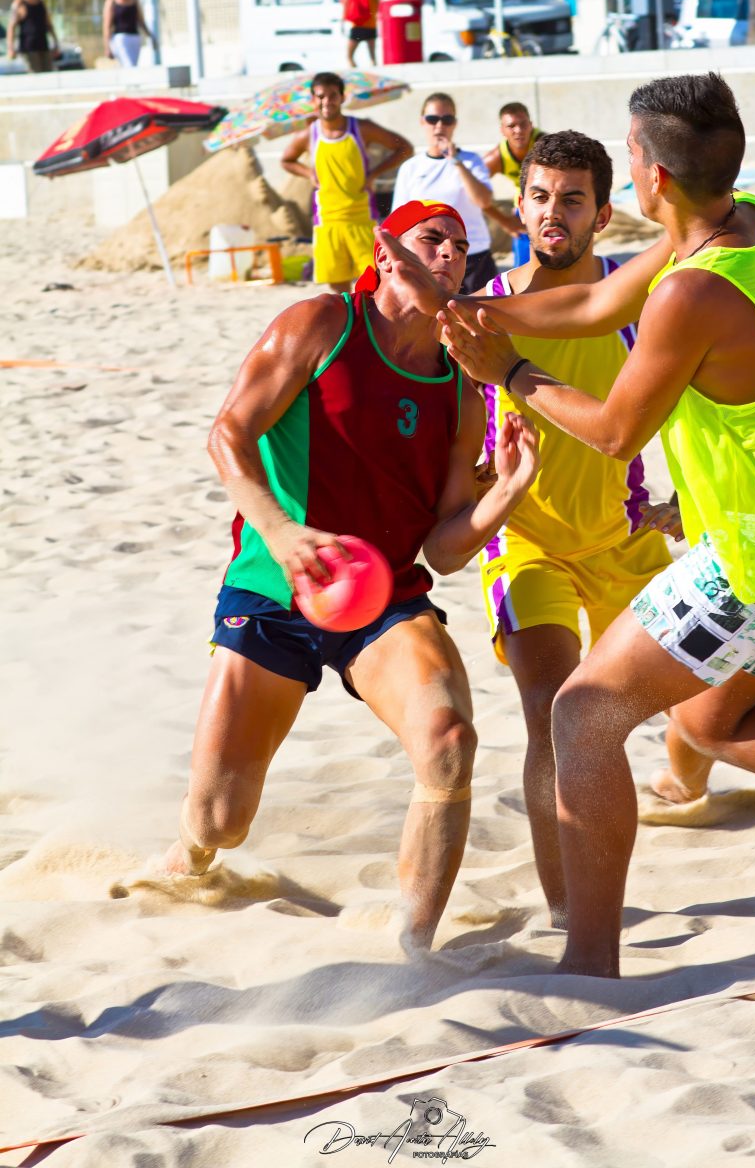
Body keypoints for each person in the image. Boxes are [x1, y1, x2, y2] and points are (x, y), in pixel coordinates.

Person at [380, 72, 755, 978]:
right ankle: (584, 924)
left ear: (644, 181)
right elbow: (593, 303)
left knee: (580, 717)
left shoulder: (692, 292)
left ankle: (589, 962)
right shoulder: (752, 223)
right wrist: (474, 315)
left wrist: (513, 371)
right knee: (717, 725)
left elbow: (617, 432)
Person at [163, 199, 540, 952]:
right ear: (388, 249)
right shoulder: (323, 323)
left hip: (384, 596)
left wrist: (504, 492)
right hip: (275, 584)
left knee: (450, 739)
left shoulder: (464, 385)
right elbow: (227, 435)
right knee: (220, 820)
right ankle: (189, 857)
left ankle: (412, 946)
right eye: (433, 239)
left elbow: (446, 549)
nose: (450, 257)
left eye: (462, 249)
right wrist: (280, 530)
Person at [475, 130, 676, 930]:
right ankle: (567, 910)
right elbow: (458, 430)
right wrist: (477, 482)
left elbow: (683, 411)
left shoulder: (634, 302)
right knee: (550, 715)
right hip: (529, 545)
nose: (552, 213)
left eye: (572, 199)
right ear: (518, 203)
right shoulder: (487, 306)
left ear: (601, 214)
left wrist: (678, 499)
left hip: (624, 537)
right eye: (539, 196)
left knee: (700, 717)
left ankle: (687, 781)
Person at [281, 71, 413, 294]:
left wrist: (374, 174)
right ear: (313, 100)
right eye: (321, 96)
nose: (327, 101)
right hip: (327, 220)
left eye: (333, 95)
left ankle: (370, 325)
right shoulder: (307, 135)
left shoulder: (361, 128)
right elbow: (286, 160)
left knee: (372, 283)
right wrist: (308, 173)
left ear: (342, 98)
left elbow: (404, 148)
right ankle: (352, 325)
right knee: (339, 289)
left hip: (361, 216)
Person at [392, 93, 497, 294]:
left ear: (454, 124)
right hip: (429, 261)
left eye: (446, 120)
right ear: (422, 122)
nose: (439, 126)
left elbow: (483, 200)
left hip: (473, 256)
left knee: (482, 321)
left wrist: (456, 161)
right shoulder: (411, 168)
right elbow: (399, 222)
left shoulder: (471, 161)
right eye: (433, 119)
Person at [483, 102, 543, 268]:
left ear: (531, 125)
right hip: (524, 202)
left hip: (551, 201)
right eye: (511, 126)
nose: (518, 130)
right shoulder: (496, 158)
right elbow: (470, 191)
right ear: (502, 130)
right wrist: (504, 221)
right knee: (523, 262)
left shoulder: (544, 145)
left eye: (523, 124)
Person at [7, 0, 59, 73]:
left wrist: (56, 43)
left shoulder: (41, 2)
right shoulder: (19, 4)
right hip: (29, 49)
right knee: (36, 77)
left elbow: (49, 24)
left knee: (48, 76)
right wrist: (10, 48)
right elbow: (11, 27)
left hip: (43, 46)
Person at [102, 0, 156, 68]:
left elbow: (141, 21)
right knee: (129, 66)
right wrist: (107, 47)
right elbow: (107, 27)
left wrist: (150, 36)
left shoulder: (134, 1)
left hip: (135, 38)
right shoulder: (111, 2)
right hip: (120, 39)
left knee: (132, 66)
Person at [341, 0, 381, 67]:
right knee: (372, 57)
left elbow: (346, 1)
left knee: (349, 56)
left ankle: (356, 76)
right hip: (371, 22)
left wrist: (343, 18)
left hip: (358, 23)